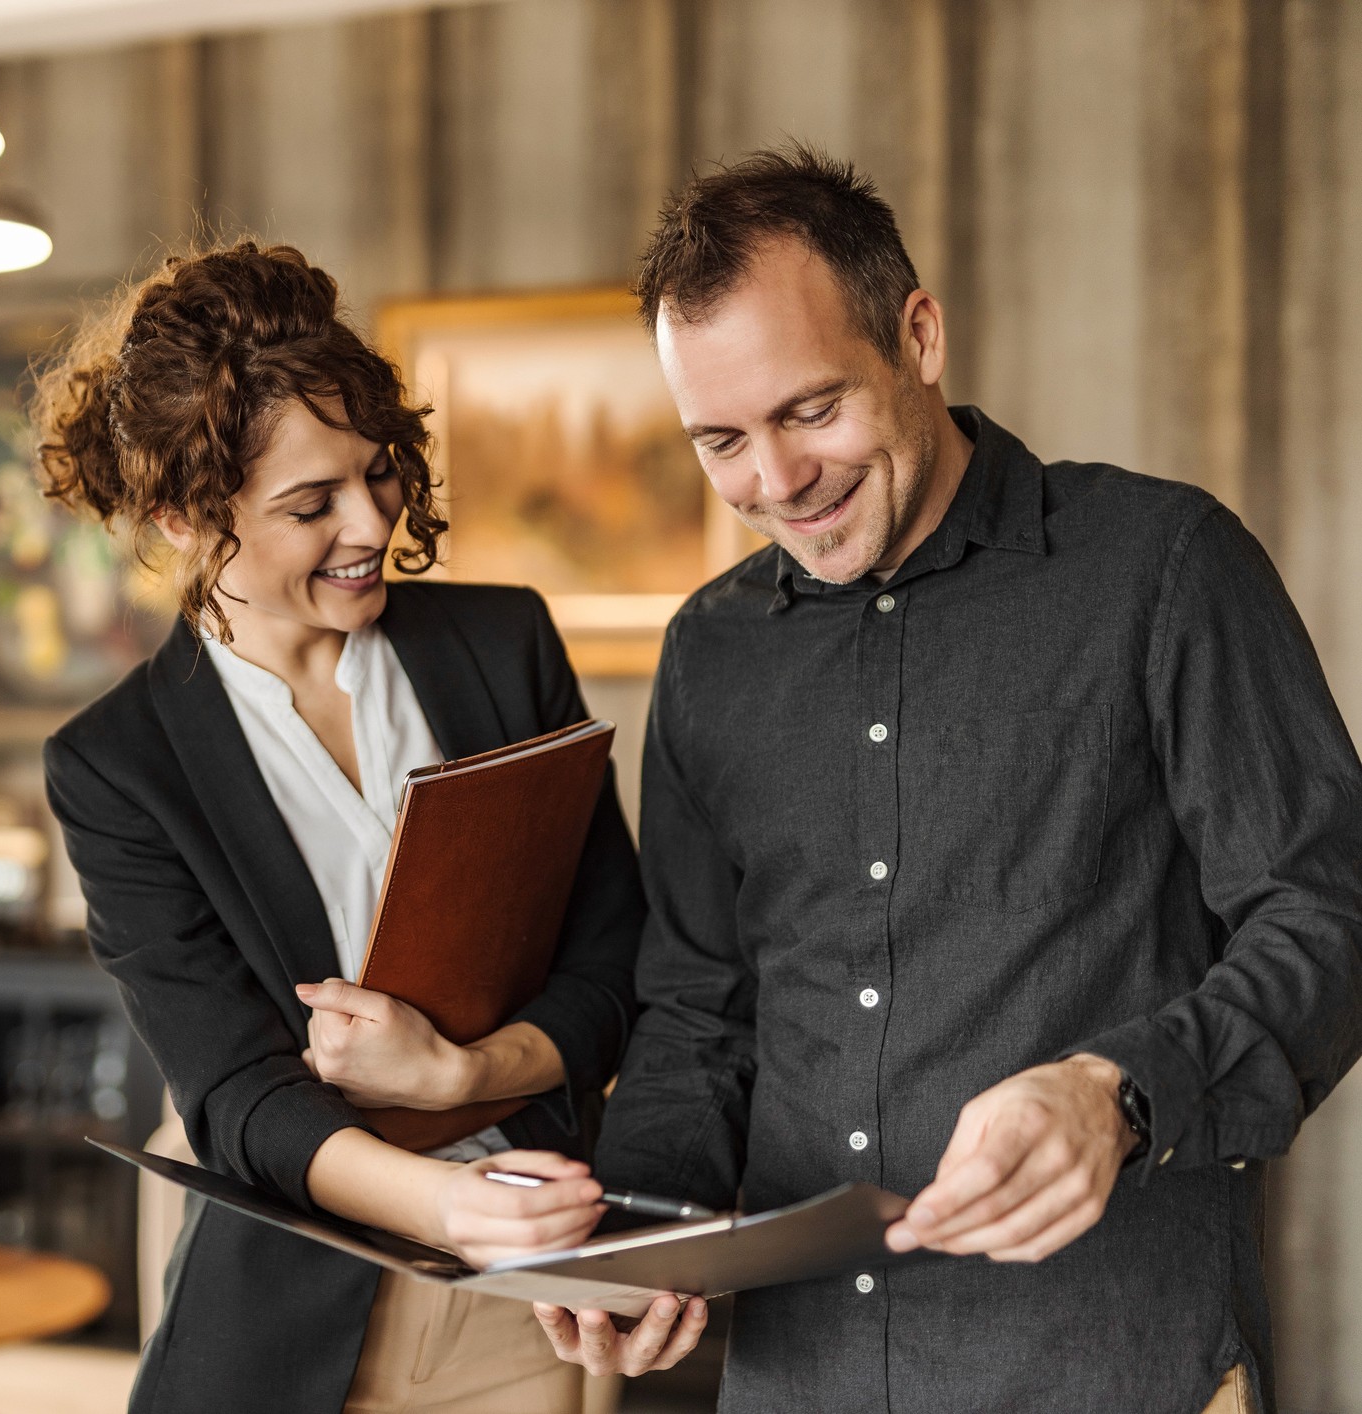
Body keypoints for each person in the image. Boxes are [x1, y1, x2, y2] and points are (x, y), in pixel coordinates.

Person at [538, 145, 1362, 1413]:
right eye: (721, 439)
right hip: (798, 1379)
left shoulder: (1163, 567)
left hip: (1109, 1369)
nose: (775, 481)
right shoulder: (708, 652)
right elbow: (699, 1012)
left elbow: (1331, 912)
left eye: (811, 410)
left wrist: (1121, 1092)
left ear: (917, 335)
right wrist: (639, 1240)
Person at [36, 241, 704, 1414]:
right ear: (184, 516)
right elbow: (236, 1093)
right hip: (286, 1301)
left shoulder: (501, 650)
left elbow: (615, 965)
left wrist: (465, 1071)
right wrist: (448, 1204)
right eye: (311, 503)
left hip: (532, 1289)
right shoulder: (117, 766)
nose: (372, 522)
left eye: (378, 473)